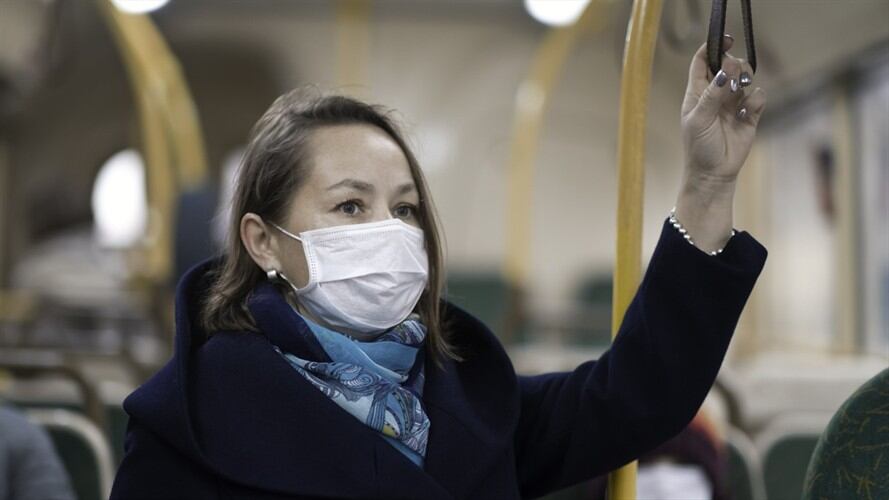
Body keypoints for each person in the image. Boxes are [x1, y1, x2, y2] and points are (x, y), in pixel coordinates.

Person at [110, 37, 767, 499]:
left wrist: (706, 184)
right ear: (262, 241)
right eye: (349, 205)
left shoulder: (473, 400)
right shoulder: (191, 422)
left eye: (404, 209)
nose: (389, 233)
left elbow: (637, 393)